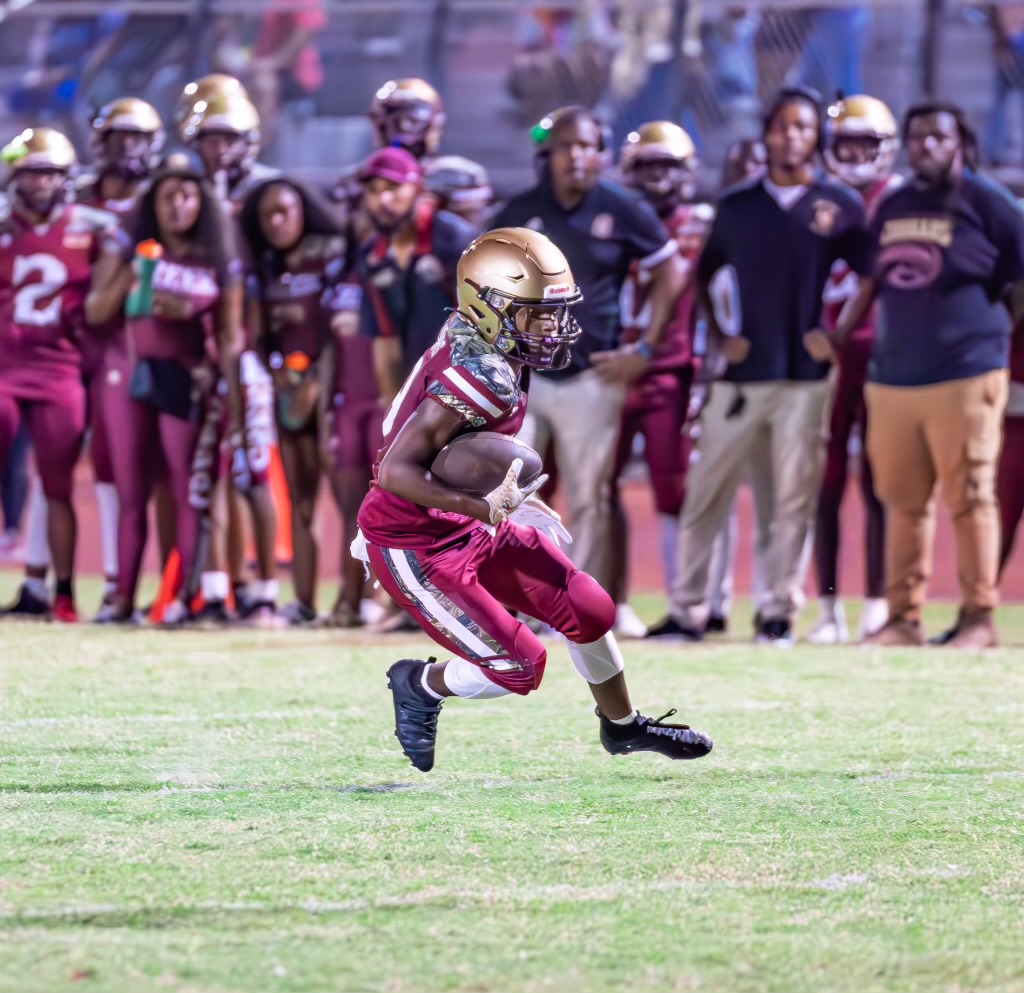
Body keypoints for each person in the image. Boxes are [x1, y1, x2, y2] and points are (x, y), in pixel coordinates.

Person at [355, 226, 713, 772]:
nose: (553, 326)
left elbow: (465, 449)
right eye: (537, 313)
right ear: (490, 305)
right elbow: (393, 473)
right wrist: (484, 505)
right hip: (414, 544)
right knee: (521, 666)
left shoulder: (488, 343)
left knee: (588, 608)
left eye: (554, 312)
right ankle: (419, 682)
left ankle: (622, 728)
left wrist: (502, 498)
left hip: (461, 522)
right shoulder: (477, 372)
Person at [650, 87, 869, 645]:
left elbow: (871, 273)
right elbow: (701, 275)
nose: (791, 136)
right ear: (767, 134)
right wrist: (722, 337)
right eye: (782, 126)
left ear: (814, 136)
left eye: (802, 127)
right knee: (706, 492)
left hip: (805, 378)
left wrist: (837, 334)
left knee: (790, 500)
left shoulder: (838, 204)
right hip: (741, 377)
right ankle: (688, 610)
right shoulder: (738, 205)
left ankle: (777, 613)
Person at [829, 103, 1024, 648]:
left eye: (938, 136)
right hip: (893, 378)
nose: (927, 146)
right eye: (917, 138)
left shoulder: (989, 202)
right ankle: (902, 618)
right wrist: (842, 335)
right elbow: (872, 280)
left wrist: (996, 328)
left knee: (970, 496)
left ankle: (979, 617)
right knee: (903, 502)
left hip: (966, 373)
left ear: (960, 140)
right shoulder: (893, 205)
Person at [492, 105, 685, 594]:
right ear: (547, 154)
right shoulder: (521, 212)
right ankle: (516, 599)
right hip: (525, 379)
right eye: (565, 147)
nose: (576, 156)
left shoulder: (621, 208)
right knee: (510, 492)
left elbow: (671, 271)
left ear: (601, 155)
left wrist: (645, 348)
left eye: (586, 147)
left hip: (591, 376)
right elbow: (481, 277)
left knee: (589, 496)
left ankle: (579, 603)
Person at [86, 150, 244, 625]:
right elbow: (96, 311)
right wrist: (134, 277)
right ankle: (120, 600)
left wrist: (232, 396)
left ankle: (184, 598)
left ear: (202, 203)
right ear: (152, 202)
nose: (177, 205)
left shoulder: (217, 256)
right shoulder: (133, 247)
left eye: (188, 195)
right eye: (168, 195)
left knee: (187, 490)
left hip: (187, 378)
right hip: (130, 375)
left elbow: (231, 335)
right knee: (131, 491)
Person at [0, 127, 124, 622]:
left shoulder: (95, 227)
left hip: (60, 367)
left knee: (57, 485)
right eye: (33, 173)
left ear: (68, 178)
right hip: (6, 366)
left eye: (51, 173)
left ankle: (66, 594)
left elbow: (124, 260)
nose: (42, 184)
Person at [178, 75, 281, 621]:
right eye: (209, 138)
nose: (219, 149)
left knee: (252, 467)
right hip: (197, 346)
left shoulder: (266, 190)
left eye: (228, 137)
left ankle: (265, 591)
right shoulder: (183, 187)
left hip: (251, 350)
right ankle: (216, 587)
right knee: (209, 470)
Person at [611, 121, 712, 637]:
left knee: (674, 489)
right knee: (598, 488)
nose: (657, 177)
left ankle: (686, 603)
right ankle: (610, 602)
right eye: (647, 166)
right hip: (611, 368)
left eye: (666, 166)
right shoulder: (611, 218)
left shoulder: (702, 225)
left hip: (671, 370)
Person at [806, 94, 902, 644]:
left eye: (867, 143)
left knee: (880, 481)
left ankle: (878, 599)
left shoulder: (901, 200)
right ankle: (827, 607)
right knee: (826, 482)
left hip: (885, 357)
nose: (857, 153)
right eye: (847, 144)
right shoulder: (819, 201)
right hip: (827, 355)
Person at [239, 177, 350, 624]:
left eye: (285, 211)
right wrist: (277, 372)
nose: (277, 222)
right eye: (268, 215)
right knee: (301, 501)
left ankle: (355, 600)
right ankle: (303, 601)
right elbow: (258, 334)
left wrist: (319, 381)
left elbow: (340, 327)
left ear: (304, 210)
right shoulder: (262, 265)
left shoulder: (331, 255)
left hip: (334, 393)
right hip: (288, 392)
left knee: (349, 504)